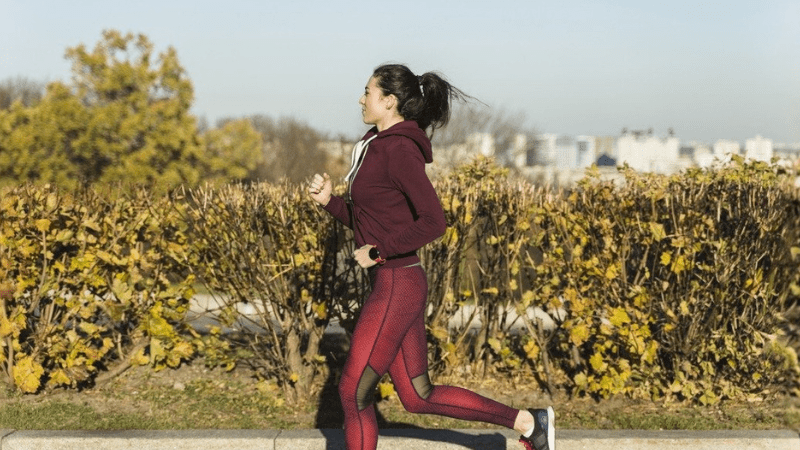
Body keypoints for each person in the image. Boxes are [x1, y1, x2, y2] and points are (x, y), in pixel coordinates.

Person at [308, 63, 555, 450]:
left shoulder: (399, 150)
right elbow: (372, 219)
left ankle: (530, 423)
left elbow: (433, 221)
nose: (361, 99)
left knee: (354, 393)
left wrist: (379, 251)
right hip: (396, 283)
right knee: (417, 395)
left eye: (368, 92)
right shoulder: (374, 144)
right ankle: (529, 422)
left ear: (389, 101)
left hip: (397, 283)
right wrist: (330, 202)